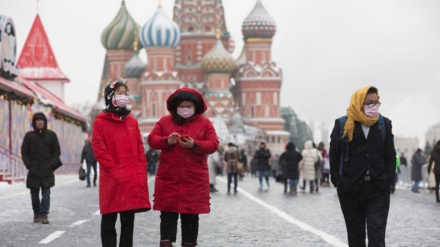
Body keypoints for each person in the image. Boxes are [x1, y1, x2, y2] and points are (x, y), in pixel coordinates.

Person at [147, 88, 219, 247]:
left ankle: (189, 243)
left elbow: (213, 144)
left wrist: (195, 144)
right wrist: (167, 141)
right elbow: (152, 140)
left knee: (191, 216)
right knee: (167, 215)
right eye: (182, 106)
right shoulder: (165, 121)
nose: (185, 110)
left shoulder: (204, 123)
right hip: (169, 178)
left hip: (193, 179)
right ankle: (166, 243)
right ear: (175, 107)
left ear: (196, 107)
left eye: (189, 106)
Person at [329, 86, 396, 247]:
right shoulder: (342, 124)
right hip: (350, 189)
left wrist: (388, 180)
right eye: (369, 103)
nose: (374, 106)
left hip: (377, 188)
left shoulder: (384, 124)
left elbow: (390, 154)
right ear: (358, 103)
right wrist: (338, 181)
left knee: (377, 234)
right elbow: (334, 154)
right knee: (356, 237)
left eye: (376, 103)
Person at [92, 81, 151, 247]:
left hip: (130, 178)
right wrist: (114, 169)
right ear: (111, 96)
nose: (124, 96)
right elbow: (99, 148)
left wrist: (140, 169)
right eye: (119, 93)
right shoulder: (100, 122)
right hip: (112, 179)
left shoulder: (132, 122)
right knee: (109, 220)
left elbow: (140, 147)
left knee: (128, 222)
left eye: (126, 93)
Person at [21, 112, 61, 224]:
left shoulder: (51, 135)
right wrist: (29, 165)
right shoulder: (29, 136)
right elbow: (24, 152)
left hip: (47, 170)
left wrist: (51, 165)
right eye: (37, 120)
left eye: (42, 120)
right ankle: (36, 213)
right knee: (34, 194)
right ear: (34, 122)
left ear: (45, 122)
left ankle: (44, 214)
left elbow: (57, 152)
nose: (40, 122)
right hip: (34, 170)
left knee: (46, 193)